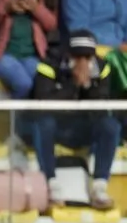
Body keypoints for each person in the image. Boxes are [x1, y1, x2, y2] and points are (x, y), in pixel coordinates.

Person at [26, 29, 119, 209]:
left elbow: (101, 104)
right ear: (68, 53)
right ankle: (50, 183)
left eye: (87, 57)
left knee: (110, 125)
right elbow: (43, 101)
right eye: (78, 56)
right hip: (56, 127)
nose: (83, 62)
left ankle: (100, 185)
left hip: (83, 127)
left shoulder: (102, 67)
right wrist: (73, 85)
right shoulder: (48, 65)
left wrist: (88, 85)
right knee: (44, 123)